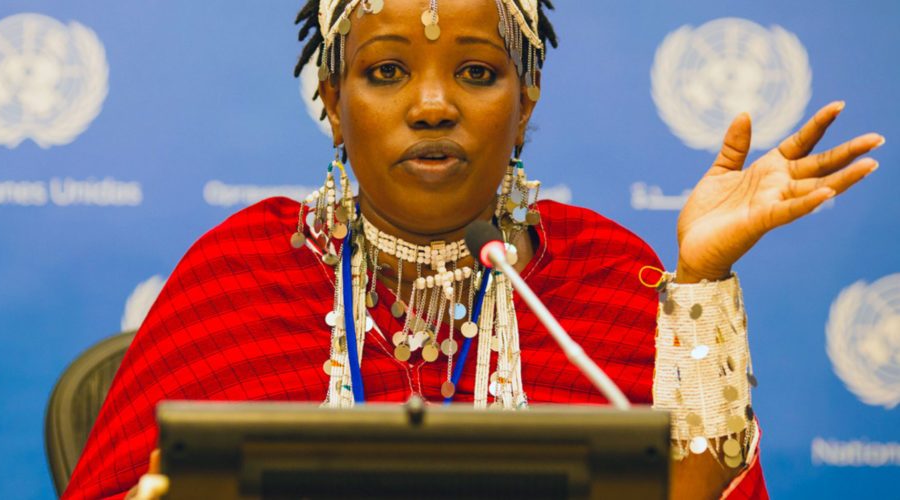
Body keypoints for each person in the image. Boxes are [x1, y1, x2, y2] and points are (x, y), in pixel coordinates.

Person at [62, 1, 884, 498]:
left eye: (478, 73)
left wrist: (702, 279)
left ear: (525, 105)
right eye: (386, 71)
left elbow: (694, 496)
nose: (432, 105)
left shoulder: (607, 277)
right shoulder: (246, 267)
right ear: (333, 105)